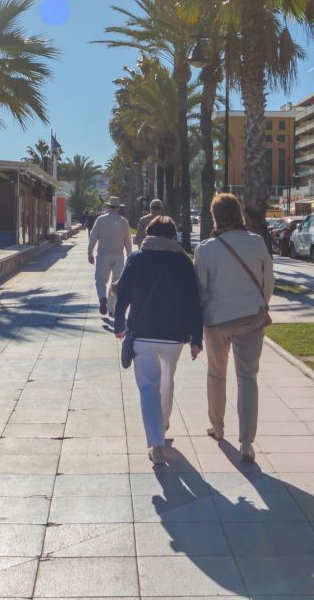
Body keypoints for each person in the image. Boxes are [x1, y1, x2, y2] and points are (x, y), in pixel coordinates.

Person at [113, 216, 203, 466]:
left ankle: (156, 443)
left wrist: (119, 324)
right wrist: (197, 337)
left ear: (148, 235)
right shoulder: (183, 261)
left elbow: (123, 295)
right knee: (167, 380)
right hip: (175, 336)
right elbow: (193, 300)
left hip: (142, 333)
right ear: (173, 236)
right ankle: (162, 424)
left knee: (148, 388)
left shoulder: (136, 259)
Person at [194, 192, 273, 463]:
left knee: (216, 373)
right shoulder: (257, 242)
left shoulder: (205, 249)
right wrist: (261, 305)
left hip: (216, 320)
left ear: (215, 217)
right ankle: (246, 442)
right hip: (251, 316)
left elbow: (200, 290)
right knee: (247, 378)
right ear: (239, 213)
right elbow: (268, 281)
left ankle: (217, 426)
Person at [87, 196, 132, 317]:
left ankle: (102, 298)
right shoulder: (124, 221)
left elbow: (93, 237)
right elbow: (128, 241)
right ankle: (111, 309)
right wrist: (130, 256)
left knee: (100, 280)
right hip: (118, 256)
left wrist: (90, 253)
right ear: (118, 208)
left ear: (108, 207)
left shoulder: (100, 220)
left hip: (103, 255)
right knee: (116, 283)